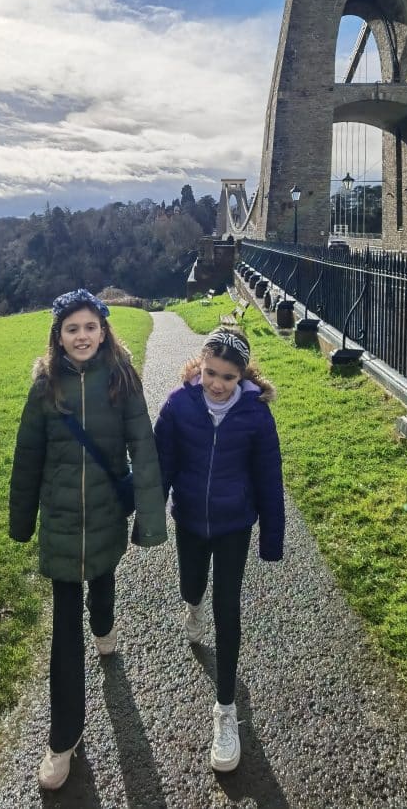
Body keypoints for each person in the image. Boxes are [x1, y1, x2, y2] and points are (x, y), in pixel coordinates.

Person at [8, 288, 167, 791]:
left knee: (102, 579)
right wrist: (21, 521)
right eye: (72, 328)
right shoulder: (45, 386)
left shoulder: (122, 378)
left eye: (90, 327)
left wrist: (149, 520)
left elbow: (144, 448)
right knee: (64, 633)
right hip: (59, 521)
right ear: (58, 336)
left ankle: (105, 624)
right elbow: (27, 456)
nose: (82, 336)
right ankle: (63, 738)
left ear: (103, 331)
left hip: (104, 515)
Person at [153, 326, 285, 773]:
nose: (217, 384)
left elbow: (269, 477)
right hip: (190, 519)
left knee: (228, 608)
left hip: (234, 524)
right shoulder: (178, 404)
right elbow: (161, 465)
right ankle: (192, 608)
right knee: (191, 585)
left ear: (242, 375)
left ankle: (225, 710)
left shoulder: (255, 415)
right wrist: (149, 517)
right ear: (201, 365)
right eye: (211, 373)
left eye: (229, 377)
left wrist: (272, 537)